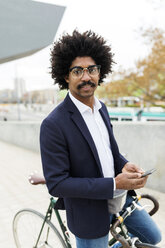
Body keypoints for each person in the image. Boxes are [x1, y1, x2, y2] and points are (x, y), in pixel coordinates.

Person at [40, 30, 161, 248]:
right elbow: (57, 184)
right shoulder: (53, 124)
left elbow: (109, 152)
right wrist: (113, 183)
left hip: (121, 199)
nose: (86, 77)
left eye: (92, 70)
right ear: (66, 76)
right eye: (77, 71)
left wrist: (125, 165)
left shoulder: (102, 108)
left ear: (99, 73)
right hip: (88, 214)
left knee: (152, 238)